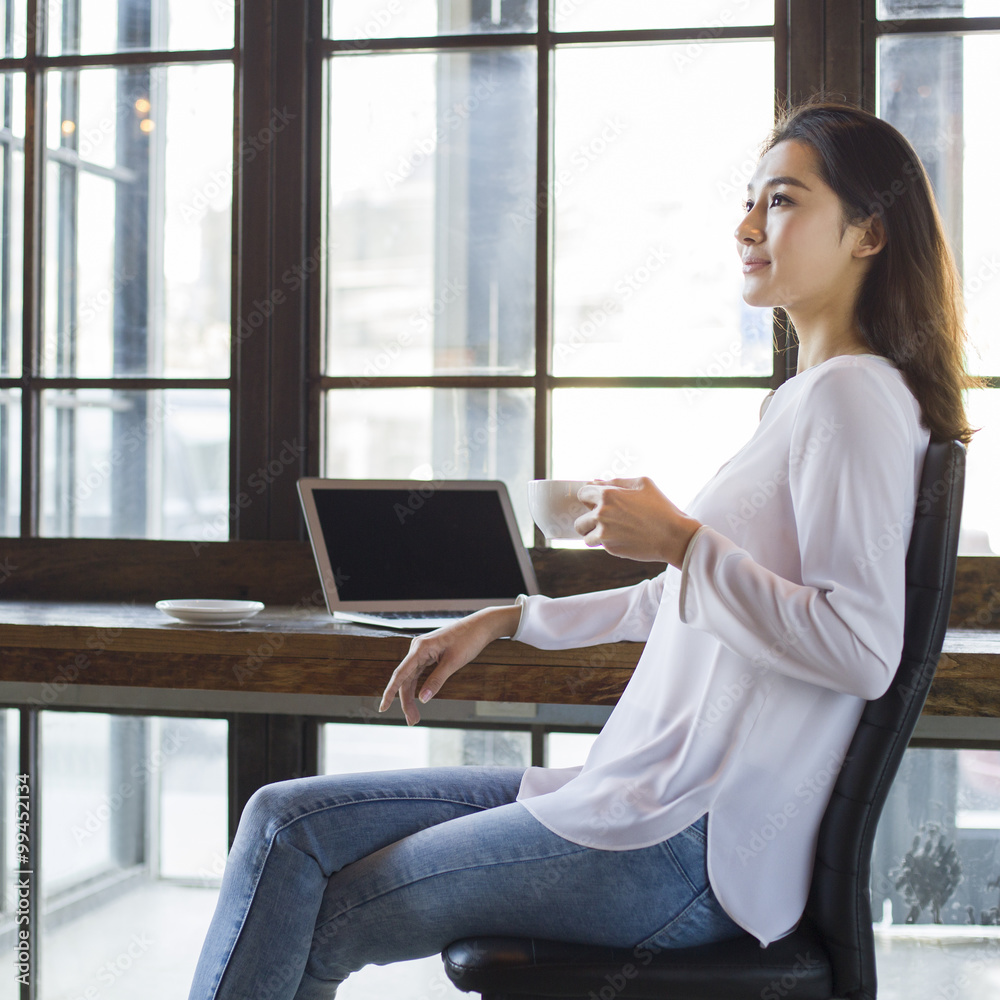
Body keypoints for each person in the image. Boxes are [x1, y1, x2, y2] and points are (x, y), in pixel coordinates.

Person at [187, 101, 974, 1000]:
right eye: (749, 200)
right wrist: (513, 618)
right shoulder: (806, 400)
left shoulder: (853, 401)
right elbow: (682, 600)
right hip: (631, 797)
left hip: (684, 847)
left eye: (784, 202)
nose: (747, 227)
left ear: (868, 233)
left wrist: (681, 540)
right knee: (286, 822)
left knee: (313, 909)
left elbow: (861, 651)